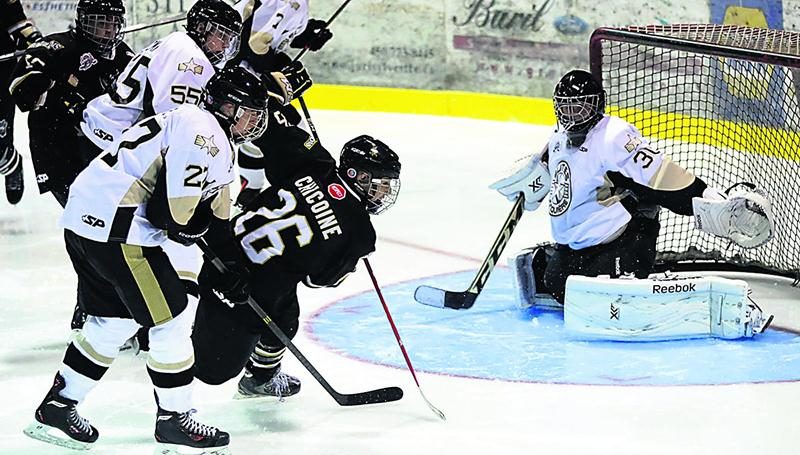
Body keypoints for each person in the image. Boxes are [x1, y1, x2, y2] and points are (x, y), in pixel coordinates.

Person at [23, 66, 270, 452]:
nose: (257, 121)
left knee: (114, 320)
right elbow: (173, 218)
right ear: (229, 107)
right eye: (252, 111)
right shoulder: (204, 133)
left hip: (87, 219)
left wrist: (229, 268)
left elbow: (213, 220)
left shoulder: (206, 131)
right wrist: (200, 238)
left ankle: (59, 404)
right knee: (171, 318)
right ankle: (175, 418)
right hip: (117, 228)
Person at [491, 69, 775, 340]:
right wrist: (532, 185)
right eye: (565, 108)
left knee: (611, 295)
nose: (571, 116)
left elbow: (663, 177)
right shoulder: (557, 140)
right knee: (557, 281)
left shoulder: (613, 137)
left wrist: (710, 199)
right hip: (582, 246)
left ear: (597, 106)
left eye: (580, 107)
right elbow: (556, 179)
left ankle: (703, 301)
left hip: (624, 239)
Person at [191, 111, 401, 399]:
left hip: (219, 254)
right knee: (213, 371)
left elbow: (272, 135)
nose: (383, 193)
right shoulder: (360, 233)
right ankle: (256, 377)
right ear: (359, 175)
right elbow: (318, 280)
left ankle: (252, 368)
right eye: (381, 183)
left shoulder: (315, 163)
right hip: (250, 297)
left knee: (283, 313)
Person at [79, 0, 243, 157]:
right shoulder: (190, 58)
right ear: (201, 28)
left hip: (104, 130)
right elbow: (169, 120)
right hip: (113, 141)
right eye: (222, 35)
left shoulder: (179, 43)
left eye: (230, 38)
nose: (227, 44)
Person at [10, 0, 132, 207]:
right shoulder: (56, 48)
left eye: (114, 23)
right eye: (102, 23)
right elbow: (19, 91)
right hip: (58, 149)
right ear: (83, 20)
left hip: (102, 148)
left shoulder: (122, 54)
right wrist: (51, 81)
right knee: (84, 215)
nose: (109, 30)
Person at [232, 0, 332, 207]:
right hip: (241, 78)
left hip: (237, 74)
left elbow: (260, 29)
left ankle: (249, 190)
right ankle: (306, 199)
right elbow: (256, 44)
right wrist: (281, 70)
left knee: (256, 136)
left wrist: (305, 35)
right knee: (294, 133)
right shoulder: (292, 2)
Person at [0, 0, 42, 204]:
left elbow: (17, 21)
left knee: (0, 146)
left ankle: (10, 163)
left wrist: (35, 41)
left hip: (0, 73)